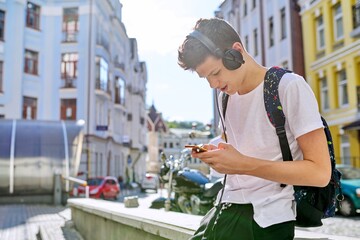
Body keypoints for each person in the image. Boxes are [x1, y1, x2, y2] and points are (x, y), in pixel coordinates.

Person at [177, 17, 331, 240]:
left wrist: (242, 165)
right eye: (205, 78)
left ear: (235, 53)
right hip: (225, 209)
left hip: (269, 220)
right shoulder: (225, 99)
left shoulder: (288, 86)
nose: (212, 85)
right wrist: (214, 153)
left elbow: (320, 173)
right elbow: (238, 144)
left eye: (215, 73)